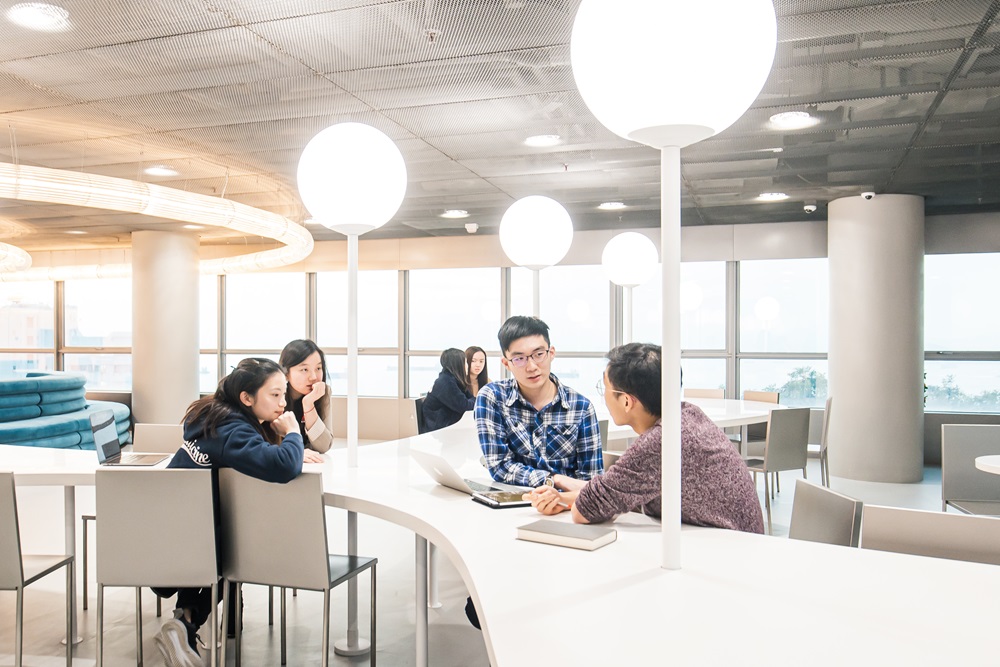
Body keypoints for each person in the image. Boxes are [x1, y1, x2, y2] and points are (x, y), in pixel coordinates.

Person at [153, 358, 306, 667]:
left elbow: (253, 456)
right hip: (191, 545)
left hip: (170, 532)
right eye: (274, 395)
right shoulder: (231, 430)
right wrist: (292, 435)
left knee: (232, 544)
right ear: (246, 399)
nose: (283, 402)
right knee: (241, 551)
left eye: (284, 394)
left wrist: (289, 445)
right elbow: (283, 467)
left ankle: (183, 622)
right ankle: (184, 624)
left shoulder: (211, 416)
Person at [524, 343, 764, 534]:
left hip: (728, 550)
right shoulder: (687, 414)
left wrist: (562, 499)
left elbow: (584, 511)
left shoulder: (660, 442)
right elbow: (617, 491)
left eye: (604, 388)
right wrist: (561, 484)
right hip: (735, 542)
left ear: (627, 401)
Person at [475, 315, 603, 488]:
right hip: (512, 505)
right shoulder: (493, 398)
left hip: (565, 507)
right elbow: (500, 466)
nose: (532, 366)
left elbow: (591, 480)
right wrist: (554, 480)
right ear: (506, 364)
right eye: (519, 358)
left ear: (551, 354)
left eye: (539, 354)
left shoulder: (581, 407)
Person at [280, 339, 334, 458]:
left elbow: (324, 446)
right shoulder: (274, 394)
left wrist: (309, 404)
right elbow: (262, 443)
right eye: (304, 369)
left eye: (318, 368)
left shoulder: (323, 392)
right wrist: (295, 452)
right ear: (286, 373)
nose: (314, 377)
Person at [422, 348, 475, 432]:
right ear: (458, 364)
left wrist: (473, 401)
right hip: (439, 430)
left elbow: (472, 400)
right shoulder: (445, 382)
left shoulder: (453, 380)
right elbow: (465, 406)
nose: (467, 366)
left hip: (447, 427)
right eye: (465, 362)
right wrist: (473, 401)